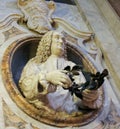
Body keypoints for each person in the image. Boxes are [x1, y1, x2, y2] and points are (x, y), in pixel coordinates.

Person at [19, 31, 102, 114]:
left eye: (63, 39)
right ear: (48, 41)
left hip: (69, 112)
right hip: (42, 110)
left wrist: (90, 96)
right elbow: (26, 87)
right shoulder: (35, 64)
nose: (61, 41)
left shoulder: (72, 66)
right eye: (57, 38)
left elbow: (79, 97)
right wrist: (47, 77)